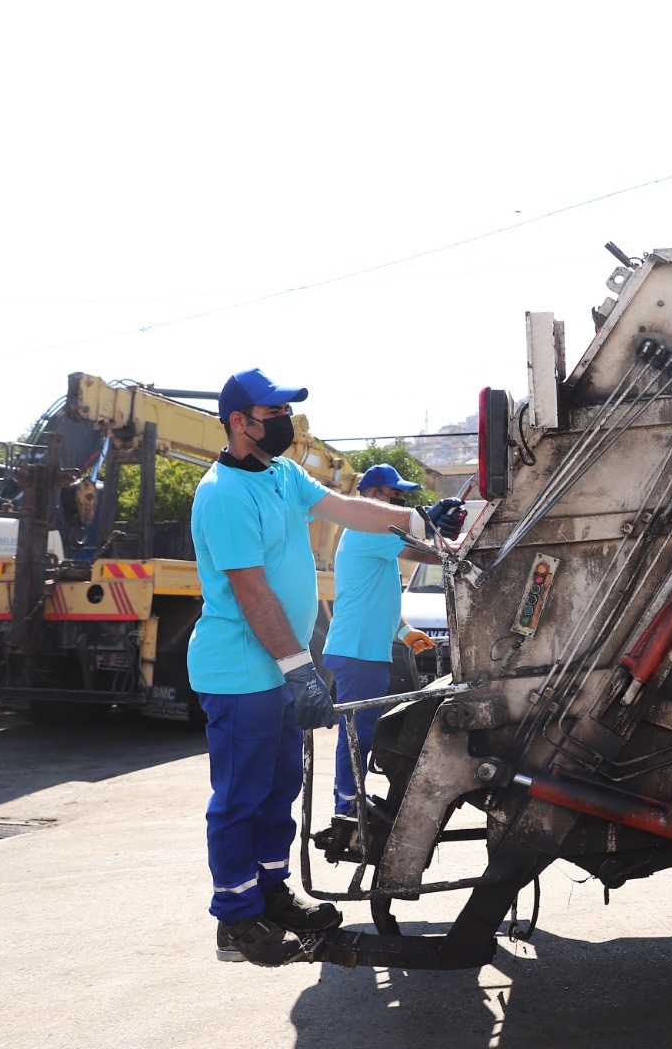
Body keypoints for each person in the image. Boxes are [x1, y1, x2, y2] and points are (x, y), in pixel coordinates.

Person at [189, 368, 468, 967]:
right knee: (241, 794)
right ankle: (235, 919)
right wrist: (299, 667)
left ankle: (269, 893)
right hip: (241, 671)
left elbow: (346, 507)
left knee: (280, 788)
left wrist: (420, 519)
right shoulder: (222, 494)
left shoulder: (280, 474)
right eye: (274, 413)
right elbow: (251, 592)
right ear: (240, 422)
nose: (284, 422)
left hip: (276, 669)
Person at [322, 464, 444, 832]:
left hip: (364, 649)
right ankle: (347, 802)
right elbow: (426, 554)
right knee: (358, 732)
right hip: (358, 651)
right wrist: (470, 546)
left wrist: (405, 631)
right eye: (396, 495)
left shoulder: (371, 536)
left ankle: (351, 794)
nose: (402, 501)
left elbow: (378, 597)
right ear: (374, 496)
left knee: (365, 730)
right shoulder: (365, 529)